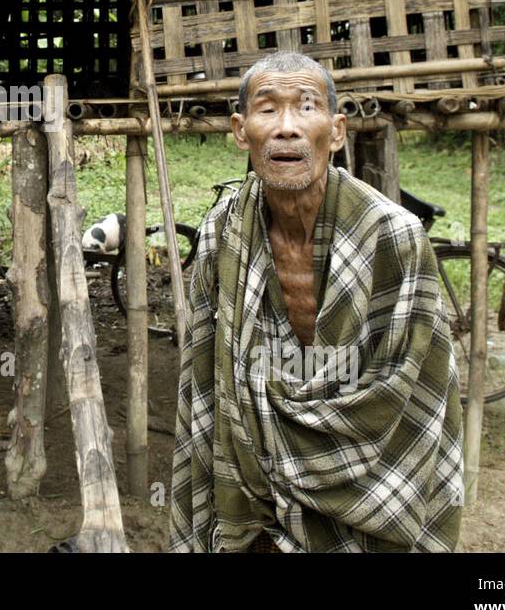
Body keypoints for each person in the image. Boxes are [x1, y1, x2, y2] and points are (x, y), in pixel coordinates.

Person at [169, 50, 464, 552]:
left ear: (337, 129)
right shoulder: (224, 232)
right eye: (267, 109)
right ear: (241, 131)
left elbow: (413, 383)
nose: (287, 127)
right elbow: (203, 367)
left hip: (368, 484)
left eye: (306, 107)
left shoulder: (392, 235)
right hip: (250, 486)